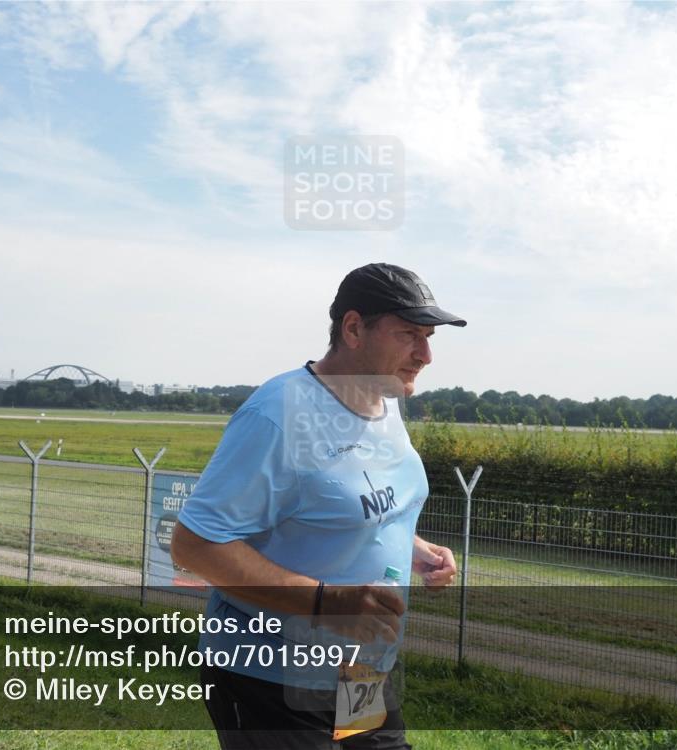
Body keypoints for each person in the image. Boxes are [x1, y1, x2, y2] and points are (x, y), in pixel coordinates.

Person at [171, 263, 466, 749]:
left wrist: (413, 548)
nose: (426, 354)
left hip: (360, 667)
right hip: (269, 676)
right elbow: (196, 544)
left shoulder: (384, 400)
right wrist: (327, 603)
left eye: (429, 336)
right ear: (353, 329)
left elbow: (351, 504)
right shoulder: (277, 415)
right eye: (409, 335)